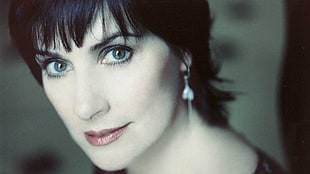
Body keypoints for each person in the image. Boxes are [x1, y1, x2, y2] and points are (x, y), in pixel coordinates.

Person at [8, 0, 288, 173]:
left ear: (182, 51)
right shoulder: (125, 144)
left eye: (117, 53)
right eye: (58, 65)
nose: (85, 108)